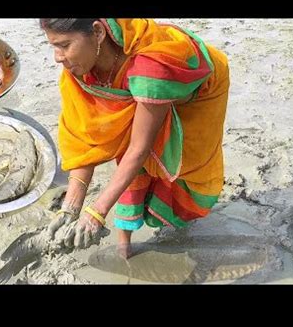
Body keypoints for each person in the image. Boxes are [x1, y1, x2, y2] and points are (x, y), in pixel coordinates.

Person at [41, 19, 229, 258]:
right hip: (143, 86)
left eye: (65, 45)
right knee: (126, 138)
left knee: (162, 154)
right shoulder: (80, 69)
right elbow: (84, 140)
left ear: (98, 32)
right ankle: (124, 246)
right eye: (53, 46)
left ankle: (132, 237)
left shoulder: (151, 68)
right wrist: (70, 208)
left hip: (194, 91)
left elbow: (139, 148)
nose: (58, 57)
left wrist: (97, 213)